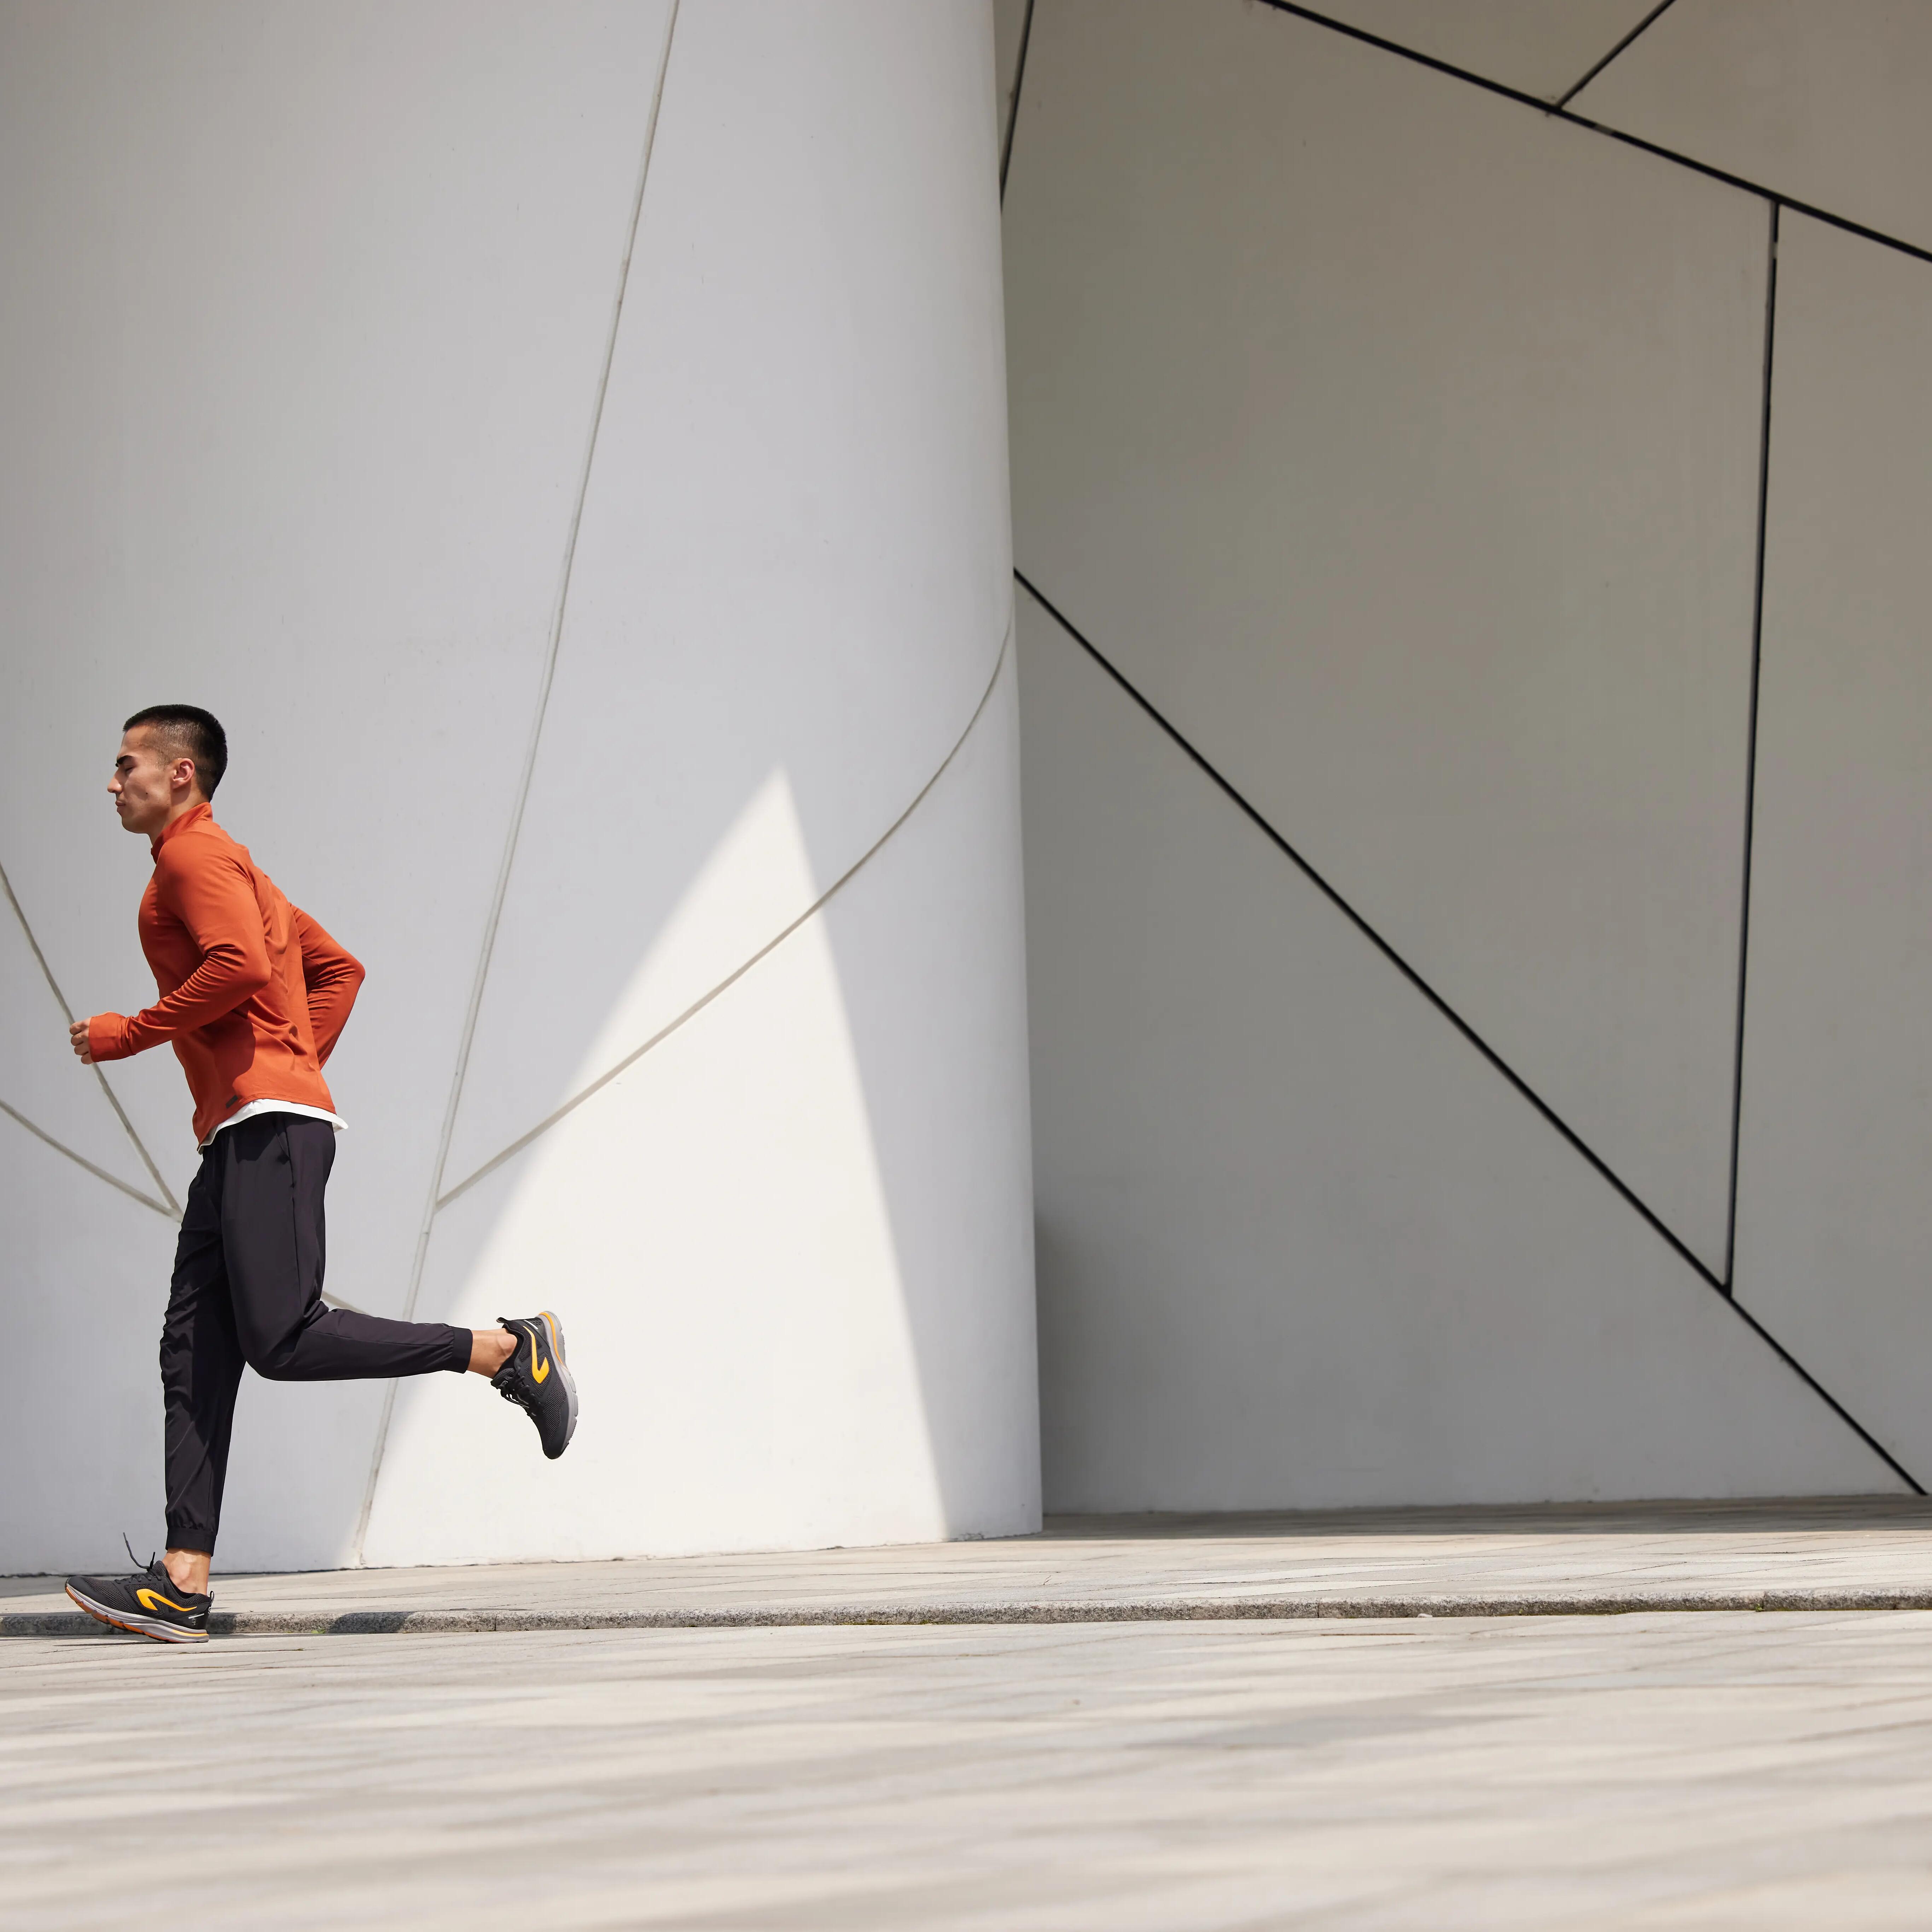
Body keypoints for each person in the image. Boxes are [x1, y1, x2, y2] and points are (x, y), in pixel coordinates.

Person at [62, 705, 577, 1644]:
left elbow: (241, 963)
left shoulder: (193, 858)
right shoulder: (236, 866)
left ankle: (506, 1349)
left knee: (283, 1337)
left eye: (126, 763)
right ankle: (182, 1580)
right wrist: (290, 1059)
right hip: (248, 1127)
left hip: (267, 1126)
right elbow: (337, 970)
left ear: (182, 775)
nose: (112, 782)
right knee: (195, 1350)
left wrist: (135, 1036)